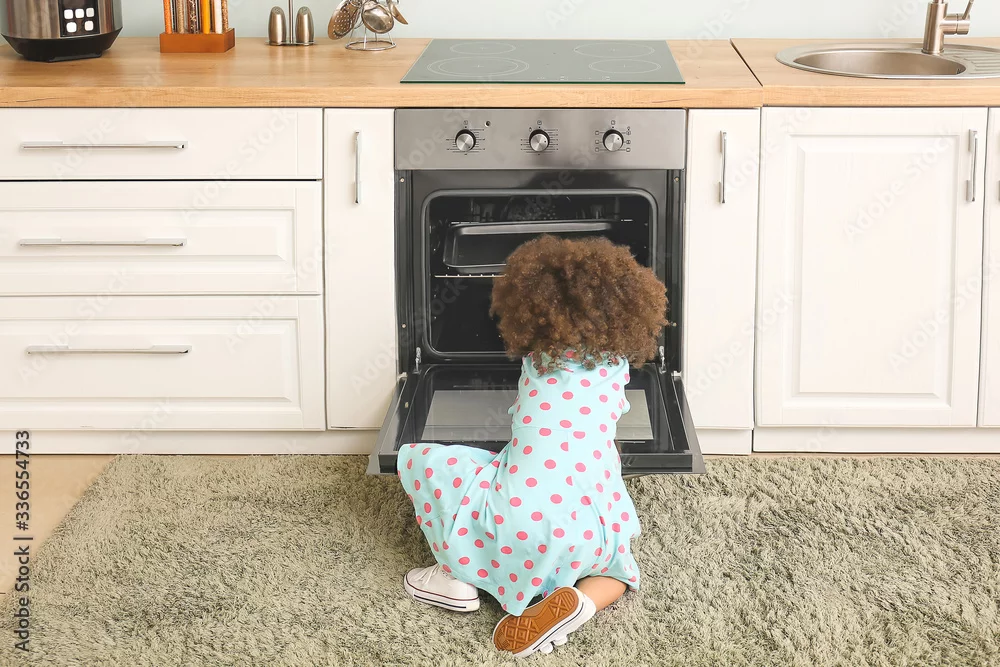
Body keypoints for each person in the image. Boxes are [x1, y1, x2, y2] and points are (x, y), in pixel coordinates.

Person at [397, 235, 668, 658]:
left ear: (536, 308)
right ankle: (583, 601)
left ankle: (457, 578)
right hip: (592, 531)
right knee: (617, 569)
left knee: (426, 462)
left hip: (519, 524)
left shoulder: (538, 361)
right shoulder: (616, 369)